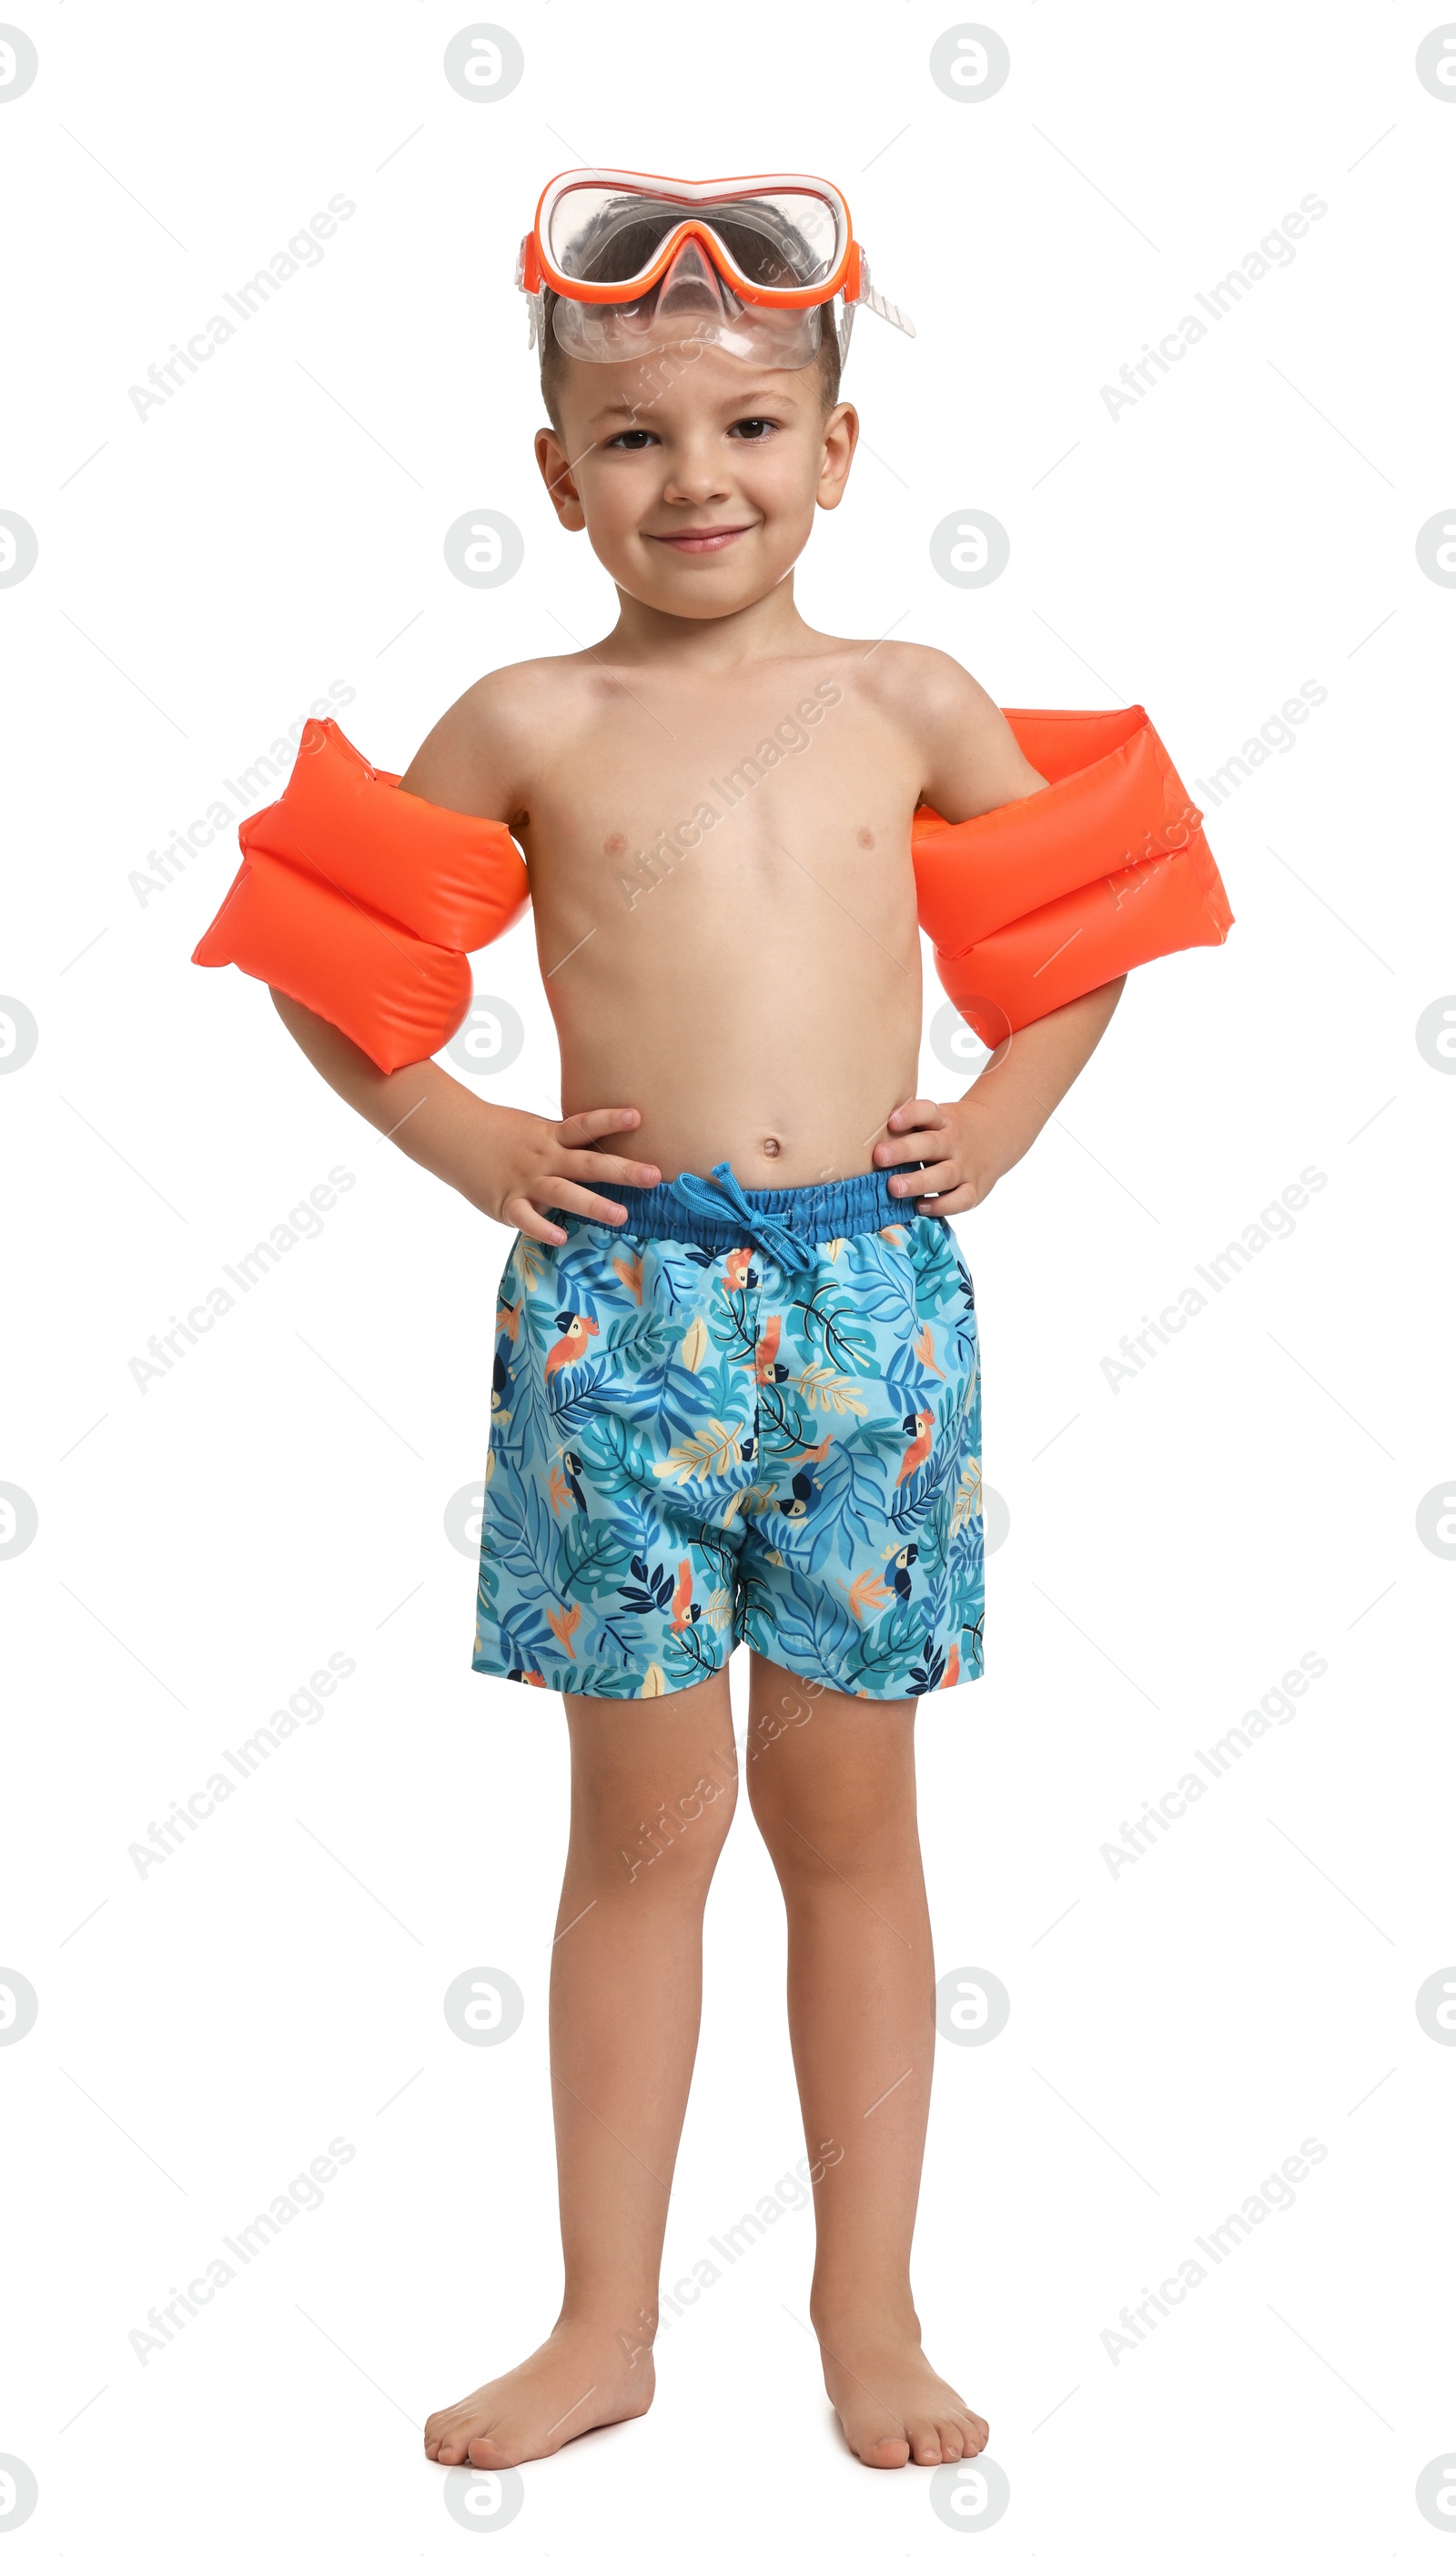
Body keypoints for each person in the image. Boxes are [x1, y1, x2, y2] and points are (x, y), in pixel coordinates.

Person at [271, 171, 1126, 2472]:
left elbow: (1079, 924)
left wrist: (1006, 1118)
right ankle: (604, 2324)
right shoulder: (524, 714)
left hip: (871, 1306)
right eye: (634, 438)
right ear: (556, 476)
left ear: (835, 451)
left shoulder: (903, 696)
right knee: (641, 1834)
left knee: (845, 1817)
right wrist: (475, 1144)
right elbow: (337, 960)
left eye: (750, 424)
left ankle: (870, 2311)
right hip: (612, 1321)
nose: (697, 479)